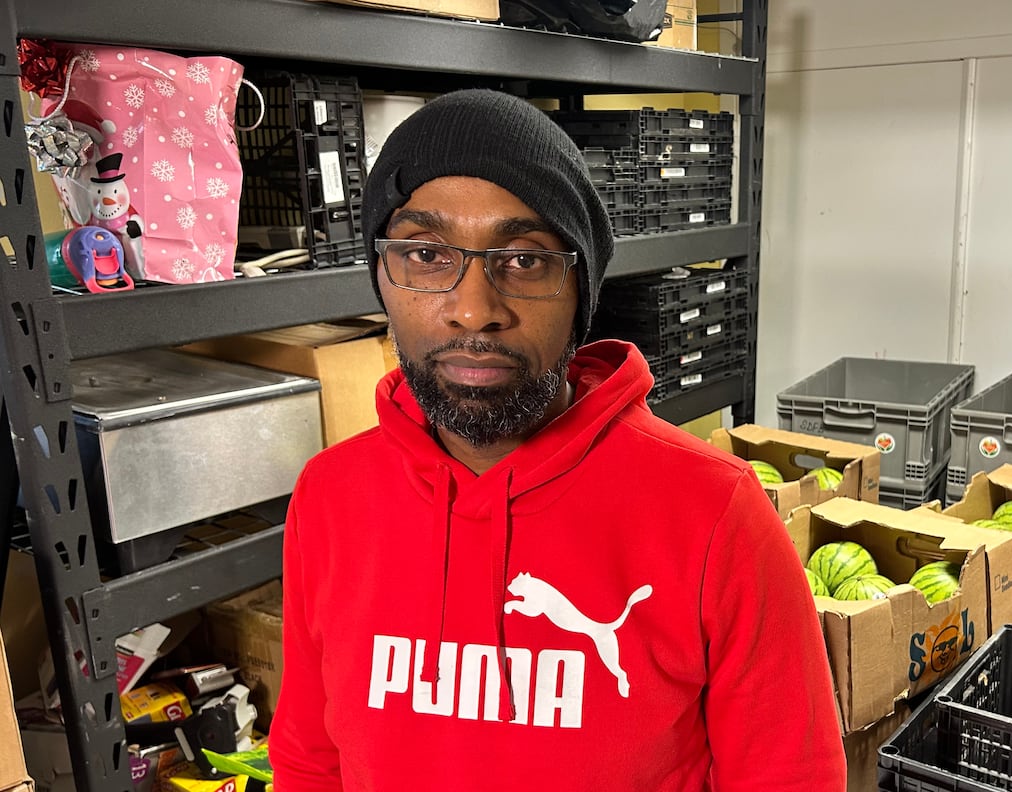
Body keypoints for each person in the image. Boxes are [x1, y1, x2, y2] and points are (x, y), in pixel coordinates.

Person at [268, 88, 845, 791]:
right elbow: (308, 762)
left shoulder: (715, 514)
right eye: (425, 253)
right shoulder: (331, 497)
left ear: (581, 292)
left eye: (525, 259)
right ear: (382, 277)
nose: (474, 309)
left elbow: (789, 777)